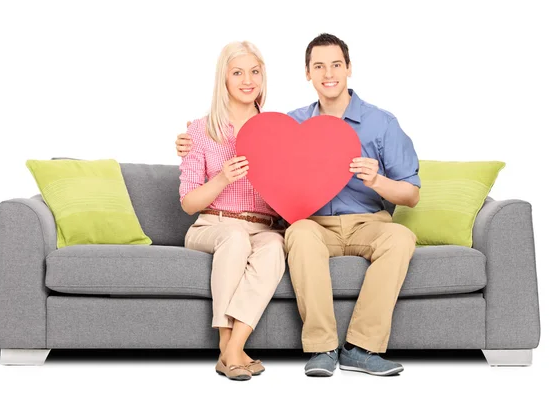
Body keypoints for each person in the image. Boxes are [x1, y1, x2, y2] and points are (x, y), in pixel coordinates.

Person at [176, 33, 420, 377]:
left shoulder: (382, 123)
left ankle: (362, 349)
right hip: (311, 224)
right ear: (308, 73)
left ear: (349, 68)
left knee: (400, 238)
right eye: (318, 66)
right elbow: (255, 151)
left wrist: (377, 181)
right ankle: (319, 348)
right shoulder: (289, 123)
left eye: (336, 64)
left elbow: (411, 194)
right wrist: (190, 138)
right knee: (297, 234)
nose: (329, 73)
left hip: (367, 222)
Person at [178, 40, 286, 381]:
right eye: (237, 72)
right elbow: (188, 203)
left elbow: (289, 192)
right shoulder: (201, 129)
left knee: (273, 249)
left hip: (265, 227)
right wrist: (223, 177)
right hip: (213, 224)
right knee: (236, 237)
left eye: (254, 72)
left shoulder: (276, 129)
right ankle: (228, 346)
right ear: (223, 79)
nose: (247, 80)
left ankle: (232, 349)